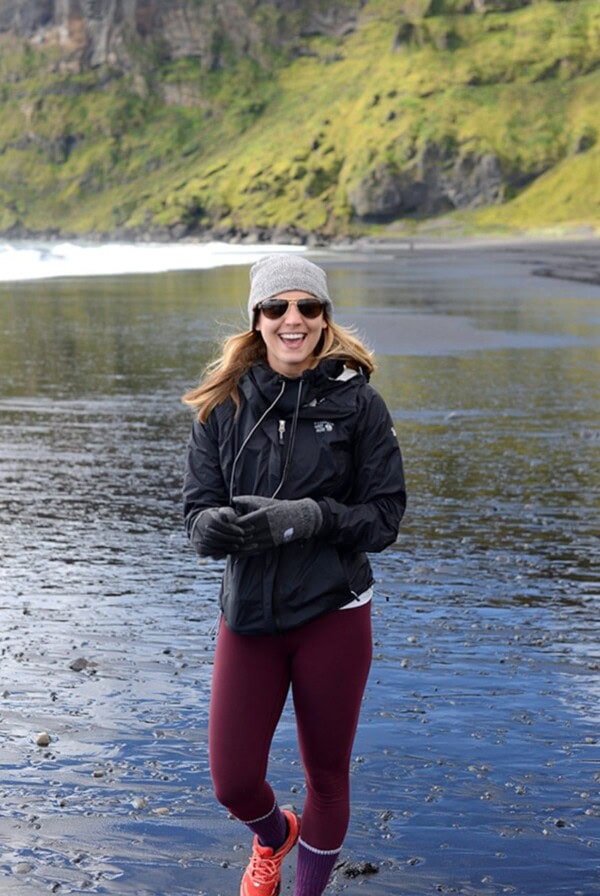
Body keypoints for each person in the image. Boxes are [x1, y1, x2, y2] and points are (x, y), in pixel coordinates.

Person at [182, 254, 406, 896]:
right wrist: (209, 531)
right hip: (250, 610)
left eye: (308, 307)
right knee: (232, 781)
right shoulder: (222, 407)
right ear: (256, 319)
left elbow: (384, 517)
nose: (293, 319)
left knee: (328, 777)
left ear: (325, 318)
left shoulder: (359, 406)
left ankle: (307, 889)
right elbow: (197, 509)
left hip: (334, 610)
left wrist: (309, 517)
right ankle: (276, 836)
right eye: (277, 307)